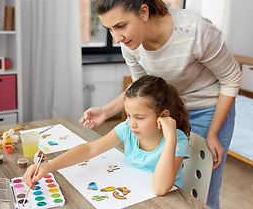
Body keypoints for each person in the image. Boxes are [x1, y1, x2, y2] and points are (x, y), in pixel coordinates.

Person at [80, 0, 242, 208]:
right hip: (168, 109)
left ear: (143, 12)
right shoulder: (129, 43)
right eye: (109, 29)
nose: (116, 37)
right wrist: (106, 111)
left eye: (121, 25)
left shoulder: (196, 31)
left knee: (202, 190)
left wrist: (214, 132)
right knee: (168, 184)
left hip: (209, 109)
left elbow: (231, 79)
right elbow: (141, 88)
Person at [23, 75, 190, 196]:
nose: (131, 123)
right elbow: (90, 149)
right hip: (134, 190)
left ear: (163, 116)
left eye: (139, 117)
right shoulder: (127, 129)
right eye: (129, 115)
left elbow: (160, 189)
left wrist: (171, 138)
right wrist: (48, 167)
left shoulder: (177, 140)